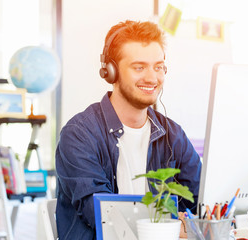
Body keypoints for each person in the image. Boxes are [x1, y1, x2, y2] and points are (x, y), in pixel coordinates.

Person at [55, 20, 201, 239]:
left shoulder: (172, 134)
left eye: (158, 67)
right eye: (139, 67)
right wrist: (171, 226)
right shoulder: (78, 134)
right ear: (110, 72)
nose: (152, 78)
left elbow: (198, 201)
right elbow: (104, 216)